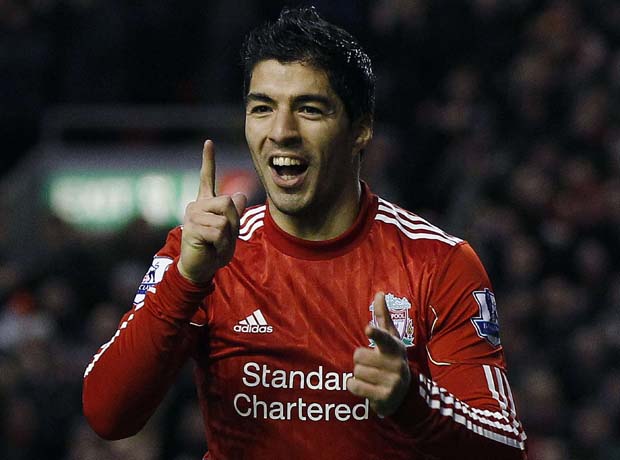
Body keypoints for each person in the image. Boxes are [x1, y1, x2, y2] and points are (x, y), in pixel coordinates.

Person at [82, 7, 527, 459]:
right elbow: (107, 415)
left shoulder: (438, 264)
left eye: (309, 109)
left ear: (361, 128)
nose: (282, 132)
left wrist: (413, 402)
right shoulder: (204, 254)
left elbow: (507, 446)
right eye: (262, 108)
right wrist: (185, 281)